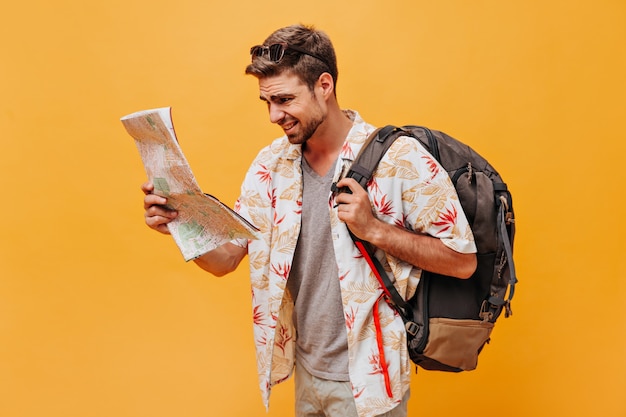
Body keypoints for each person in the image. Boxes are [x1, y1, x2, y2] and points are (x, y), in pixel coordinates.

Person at [142, 24, 477, 417]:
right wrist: (181, 224)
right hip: (307, 374)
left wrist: (374, 230)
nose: (273, 115)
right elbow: (227, 258)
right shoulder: (271, 166)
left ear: (324, 85)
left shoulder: (398, 159)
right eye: (266, 101)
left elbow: (463, 260)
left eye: (284, 99)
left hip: (370, 383)